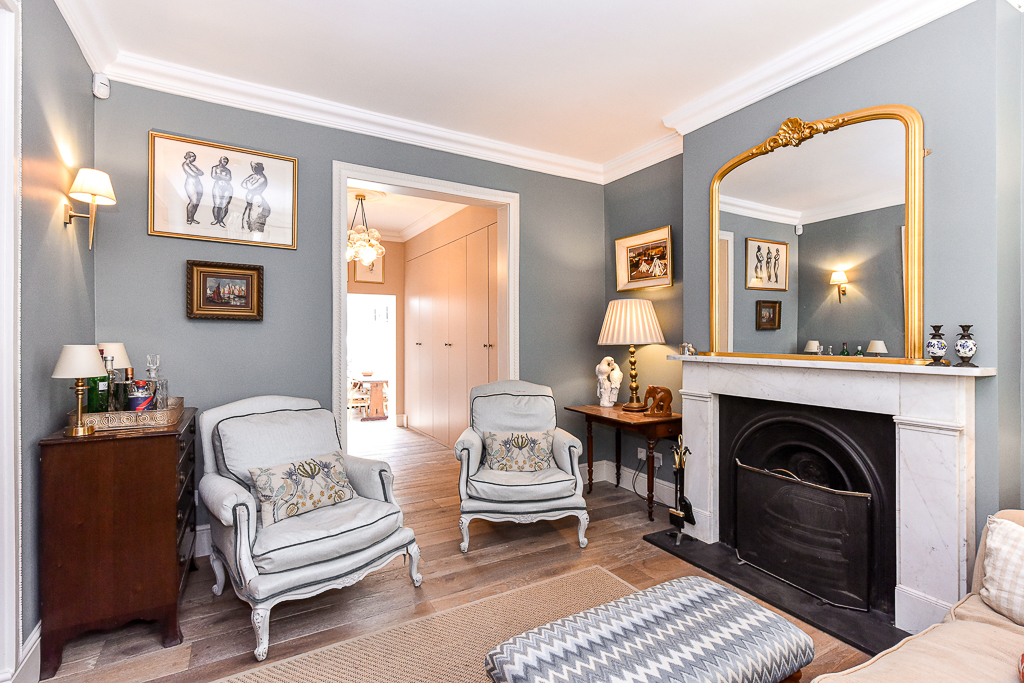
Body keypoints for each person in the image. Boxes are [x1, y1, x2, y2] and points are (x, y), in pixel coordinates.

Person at [240, 162, 269, 232]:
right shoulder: (252, 176)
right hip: (249, 198)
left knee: (254, 213)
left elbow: (251, 187)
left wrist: (248, 182)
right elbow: (243, 184)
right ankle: (247, 227)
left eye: (255, 167)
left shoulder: (262, 179)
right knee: (247, 213)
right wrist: (249, 184)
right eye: (253, 167)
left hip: (256, 198)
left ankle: (253, 227)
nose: (253, 169)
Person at [210, 156, 233, 227]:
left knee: (225, 205)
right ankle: (216, 219)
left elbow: (229, 178)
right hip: (218, 187)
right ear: (220, 161)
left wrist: (219, 175)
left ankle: (221, 220)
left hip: (227, 188)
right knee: (217, 203)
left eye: (226, 162)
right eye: (224, 161)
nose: (225, 163)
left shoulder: (228, 170)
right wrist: (223, 177)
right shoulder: (215, 168)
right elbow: (214, 176)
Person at [182, 151, 204, 225]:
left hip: (198, 184)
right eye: (193, 157)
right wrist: (196, 171)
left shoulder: (193, 165)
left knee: (197, 202)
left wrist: (196, 171)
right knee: (193, 201)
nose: (194, 158)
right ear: (189, 157)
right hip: (191, 184)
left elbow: (201, 173)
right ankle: (189, 219)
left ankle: (192, 218)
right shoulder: (185, 164)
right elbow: (193, 174)